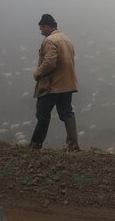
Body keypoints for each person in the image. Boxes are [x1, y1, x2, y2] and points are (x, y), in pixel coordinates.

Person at [29, 14, 80, 151]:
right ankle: (73, 145)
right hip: (67, 84)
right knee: (67, 113)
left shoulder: (50, 40)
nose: (41, 29)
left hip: (51, 85)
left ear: (51, 26)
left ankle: (35, 144)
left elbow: (50, 61)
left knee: (43, 115)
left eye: (43, 26)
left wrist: (38, 73)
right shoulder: (67, 39)